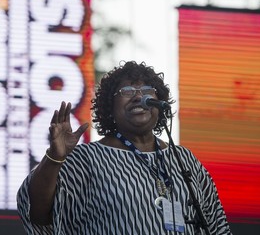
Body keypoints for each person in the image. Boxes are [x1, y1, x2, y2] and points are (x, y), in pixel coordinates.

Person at [17, 61, 232, 234]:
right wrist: (54, 157)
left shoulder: (184, 159)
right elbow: (38, 212)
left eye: (148, 90)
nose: (139, 96)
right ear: (110, 106)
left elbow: (216, 223)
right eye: (127, 91)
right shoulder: (87, 158)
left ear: (159, 102)